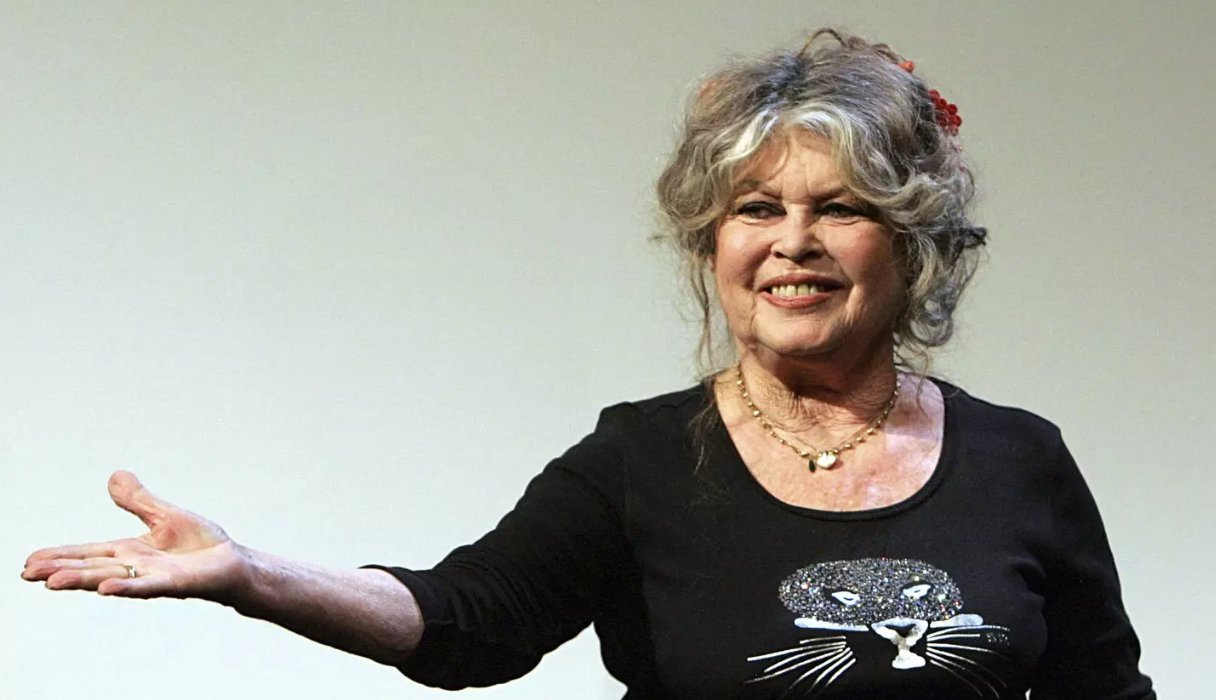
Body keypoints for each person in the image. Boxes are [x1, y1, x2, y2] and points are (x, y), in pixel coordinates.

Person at [21, 29, 1155, 699]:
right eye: (756, 208)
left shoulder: (1018, 460)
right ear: (711, 244)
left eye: (842, 209)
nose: (793, 243)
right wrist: (248, 574)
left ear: (908, 245)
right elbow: (466, 618)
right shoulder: (639, 458)